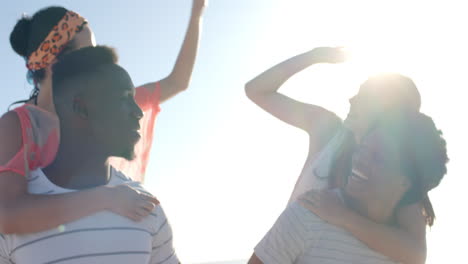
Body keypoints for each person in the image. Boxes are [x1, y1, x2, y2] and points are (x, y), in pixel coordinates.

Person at [0, 1, 204, 234]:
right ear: (55, 63)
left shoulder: (109, 106)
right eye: (90, 54)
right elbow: (7, 216)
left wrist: (197, 13)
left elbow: (177, 82)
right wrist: (106, 198)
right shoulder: (18, 127)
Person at [245, 47, 437, 263]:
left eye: (364, 95)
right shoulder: (326, 130)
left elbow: (415, 254)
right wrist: (315, 56)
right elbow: (256, 90)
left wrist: (342, 216)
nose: (351, 99)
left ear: (388, 111)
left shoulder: (389, 178)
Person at [0, 46, 178, 264]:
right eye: (124, 97)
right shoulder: (16, 220)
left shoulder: (145, 206)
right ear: (81, 108)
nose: (138, 111)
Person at [248, 110, 448, 264]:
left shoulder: (404, 250)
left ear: (406, 182)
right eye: (363, 148)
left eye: (377, 157)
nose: (360, 160)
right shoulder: (310, 214)